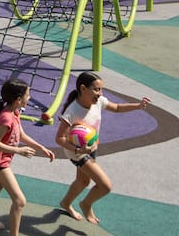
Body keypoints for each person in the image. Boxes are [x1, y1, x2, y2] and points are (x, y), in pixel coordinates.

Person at [56, 70, 151, 224]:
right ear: (83, 89)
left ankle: (65, 203)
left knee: (83, 182)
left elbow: (117, 108)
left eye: (101, 89)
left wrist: (138, 106)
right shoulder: (72, 112)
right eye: (96, 89)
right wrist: (78, 150)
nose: (100, 93)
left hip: (91, 148)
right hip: (78, 153)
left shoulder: (98, 102)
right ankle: (85, 204)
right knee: (105, 186)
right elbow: (59, 139)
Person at [0, 78, 55, 236]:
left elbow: (20, 134)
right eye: (27, 95)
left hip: (0, 158)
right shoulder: (6, 117)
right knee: (20, 201)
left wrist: (40, 147)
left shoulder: (15, 112)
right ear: (17, 98)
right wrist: (19, 150)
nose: (29, 98)